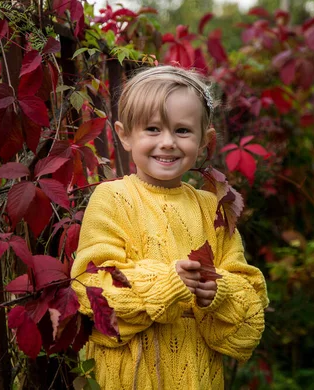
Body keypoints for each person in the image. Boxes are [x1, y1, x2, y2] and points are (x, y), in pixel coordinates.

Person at [70, 65, 269, 389]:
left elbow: (250, 308)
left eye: (182, 131)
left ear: (205, 141)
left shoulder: (211, 209)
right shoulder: (113, 198)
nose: (167, 143)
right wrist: (167, 282)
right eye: (152, 129)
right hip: (129, 378)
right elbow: (91, 286)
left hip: (198, 376)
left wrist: (218, 293)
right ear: (124, 135)